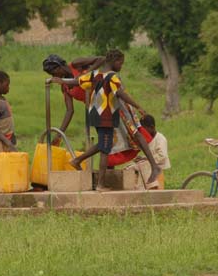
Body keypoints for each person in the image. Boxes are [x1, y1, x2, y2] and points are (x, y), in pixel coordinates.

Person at [50, 49, 161, 191]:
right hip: (113, 111)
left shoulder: (93, 74)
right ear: (115, 62)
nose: (121, 67)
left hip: (98, 114)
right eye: (121, 63)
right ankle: (153, 166)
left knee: (108, 143)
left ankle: (80, 161)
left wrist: (61, 81)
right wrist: (139, 107)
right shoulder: (111, 77)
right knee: (130, 136)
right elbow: (120, 93)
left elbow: (78, 81)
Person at [43, 53, 153, 165]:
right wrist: (59, 134)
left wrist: (86, 72)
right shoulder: (65, 86)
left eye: (53, 72)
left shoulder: (76, 65)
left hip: (110, 100)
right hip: (98, 111)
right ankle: (104, 171)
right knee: (108, 142)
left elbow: (101, 59)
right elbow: (69, 111)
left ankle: (153, 160)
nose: (54, 75)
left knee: (130, 132)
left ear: (59, 66)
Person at [138, 114, 170, 188]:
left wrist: (146, 159)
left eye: (144, 130)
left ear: (152, 127)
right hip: (148, 169)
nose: (143, 133)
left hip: (158, 170)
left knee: (157, 190)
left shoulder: (160, 139)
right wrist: (143, 158)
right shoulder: (147, 140)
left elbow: (162, 156)